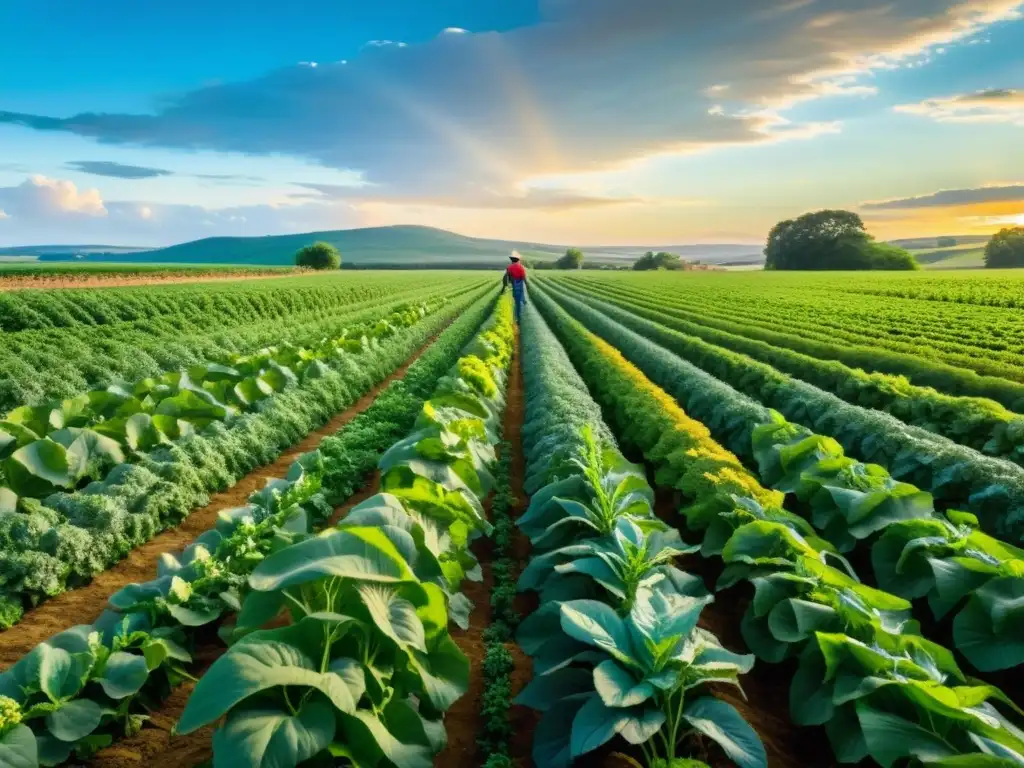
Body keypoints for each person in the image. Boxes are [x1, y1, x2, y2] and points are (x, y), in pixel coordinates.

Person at [501, 254, 527, 322]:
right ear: (517, 260)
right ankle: (523, 302)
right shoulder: (521, 267)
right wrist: (527, 284)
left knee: (517, 302)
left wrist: (504, 287)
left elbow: (506, 277)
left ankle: (517, 318)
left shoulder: (509, 267)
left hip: (514, 284)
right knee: (520, 299)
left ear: (512, 260)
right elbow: (524, 277)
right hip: (520, 284)